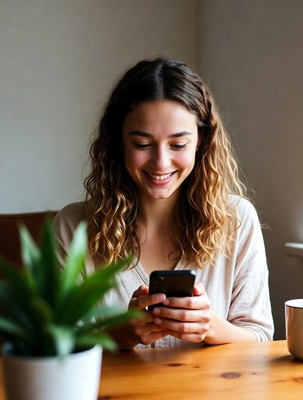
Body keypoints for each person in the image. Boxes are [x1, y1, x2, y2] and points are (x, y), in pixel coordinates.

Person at [54, 58, 274, 349]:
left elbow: (260, 338)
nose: (161, 162)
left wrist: (210, 326)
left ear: (201, 142)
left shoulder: (238, 219)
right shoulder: (74, 227)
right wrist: (119, 334)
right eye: (142, 144)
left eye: (178, 145)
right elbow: (52, 344)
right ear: (118, 142)